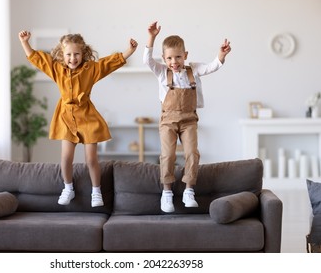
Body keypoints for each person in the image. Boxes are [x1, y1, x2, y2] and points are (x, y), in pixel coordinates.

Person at [19, 30, 138, 207]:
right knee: (66, 158)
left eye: (76, 54)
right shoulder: (57, 69)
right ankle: (68, 188)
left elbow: (109, 63)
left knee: (91, 159)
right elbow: (37, 59)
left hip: (88, 117)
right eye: (68, 54)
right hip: (66, 118)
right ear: (62, 54)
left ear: (83, 54)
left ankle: (96, 191)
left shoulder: (91, 69)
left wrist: (129, 50)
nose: (72, 58)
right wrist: (25, 42)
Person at [143, 21, 231, 213]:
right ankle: (166, 193)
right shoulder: (161, 72)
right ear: (164, 59)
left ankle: (188, 190)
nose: (174, 62)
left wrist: (221, 56)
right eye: (169, 58)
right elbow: (147, 60)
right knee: (168, 154)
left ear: (185, 56)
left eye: (178, 57)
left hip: (189, 120)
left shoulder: (193, 70)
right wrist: (152, 37)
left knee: (192, 153)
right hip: (168, 121)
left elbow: (212, 67)